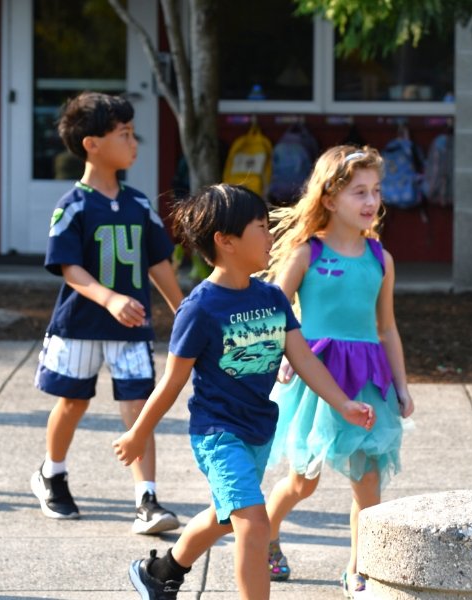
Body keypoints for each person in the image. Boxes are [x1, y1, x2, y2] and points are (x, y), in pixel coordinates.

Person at [112, 183, 375, 600]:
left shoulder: (271, 297)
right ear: (226, 241)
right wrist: (139, 432)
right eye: (261, 227)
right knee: (253, 523)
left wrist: (342, 403)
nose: (271, 237)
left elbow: (304, 359)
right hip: (219, 433)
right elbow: (173, 381)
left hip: (258, 429)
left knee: (226, 515)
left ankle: (161, 571)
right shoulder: (199, 308)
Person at [262, 144, 414, 597]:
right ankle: (267, 535)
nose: (371, 202)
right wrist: (282, 360)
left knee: (367, 483)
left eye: (376, 191)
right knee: (302, 482)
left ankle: (358, 569)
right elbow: (274, 311)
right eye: (358, 193)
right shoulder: (307, 252)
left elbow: (387, 328)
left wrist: (402, 386)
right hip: (317, 377)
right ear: (329, 198)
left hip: (368, 379)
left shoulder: (380, 259)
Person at [31, 91, 184, 534]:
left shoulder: (138, 204)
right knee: (74, 401)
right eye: (124, 134)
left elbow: (158, 262)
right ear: (91, 144)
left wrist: (183, 310)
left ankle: (147, 499)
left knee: (139, 407)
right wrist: (109, 298)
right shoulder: (72, 205)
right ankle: (52, 474)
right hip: (79, 326)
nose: (134, 143)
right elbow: (69, 269)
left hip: (132, 327)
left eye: (133, 133)